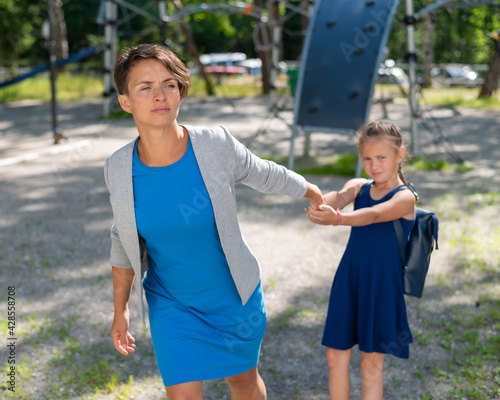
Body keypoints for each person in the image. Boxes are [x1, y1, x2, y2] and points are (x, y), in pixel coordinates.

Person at [103, 43, 324, 400]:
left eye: (169, 84)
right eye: (145, 87)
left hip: (233, 300)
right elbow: (122, 236)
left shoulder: (214, 145)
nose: (160, 95)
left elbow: (262, 172)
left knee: (245, 385)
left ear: (180, 91)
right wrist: (121, 309)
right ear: (126, 101)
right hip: (173, 304)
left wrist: (311, 190)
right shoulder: (117, 166)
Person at [305, 121, 417, 400]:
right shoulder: (359, 186)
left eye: (382, 157)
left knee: (370, 364)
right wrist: (320, 202)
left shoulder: (405, 198)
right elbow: (339, 197)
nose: (373, 165)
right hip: (350, 279)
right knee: (335, 356)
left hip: (381, 285)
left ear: (400, 155)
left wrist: (338, 218)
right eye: (367, 158)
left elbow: (375, 215)